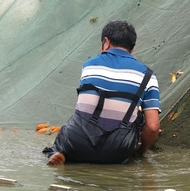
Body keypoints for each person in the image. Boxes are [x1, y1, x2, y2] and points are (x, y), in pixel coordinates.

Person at [44, 20, 161, 165]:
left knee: (75, 121)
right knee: (138, 116)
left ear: (106, 42)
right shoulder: (148, 76)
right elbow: (153, 127)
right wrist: (142, 150)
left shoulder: (90, 66)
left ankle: (58, 152)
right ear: (132, 48)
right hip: (118, 149)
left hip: (77, 141)